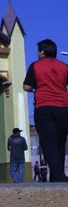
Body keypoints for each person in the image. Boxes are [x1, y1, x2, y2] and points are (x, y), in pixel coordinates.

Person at [23, 38, 68, 183]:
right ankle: (56, 179)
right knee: (60, 141)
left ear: (42, 52)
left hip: (44, 107)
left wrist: (39, 86)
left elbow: (26, 87)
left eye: (38, 51)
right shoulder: (64, 66)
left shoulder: (35, 66)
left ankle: (61, 178)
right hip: (63, 108)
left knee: (49, 143)